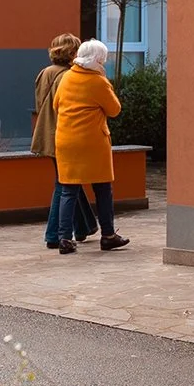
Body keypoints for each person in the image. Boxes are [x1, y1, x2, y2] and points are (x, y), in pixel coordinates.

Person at [53, 38, 130, 256]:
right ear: (97, 60)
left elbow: (56, 104)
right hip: (93, 142)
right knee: (103, 189)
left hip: (66, 140)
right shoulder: (98, 82)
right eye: (103, 60)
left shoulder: (67, 78)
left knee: (68, 190)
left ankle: (64, 239)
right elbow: (114, 109)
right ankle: (108, 235)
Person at [31, 33, 98, 249]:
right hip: (63, 134)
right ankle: (54, 235)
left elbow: (39, 104)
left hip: (46, 133)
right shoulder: (69, 76)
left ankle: (84, 227)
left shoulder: (45, 73)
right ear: (72, 52)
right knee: (64, 184)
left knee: (70, 182)